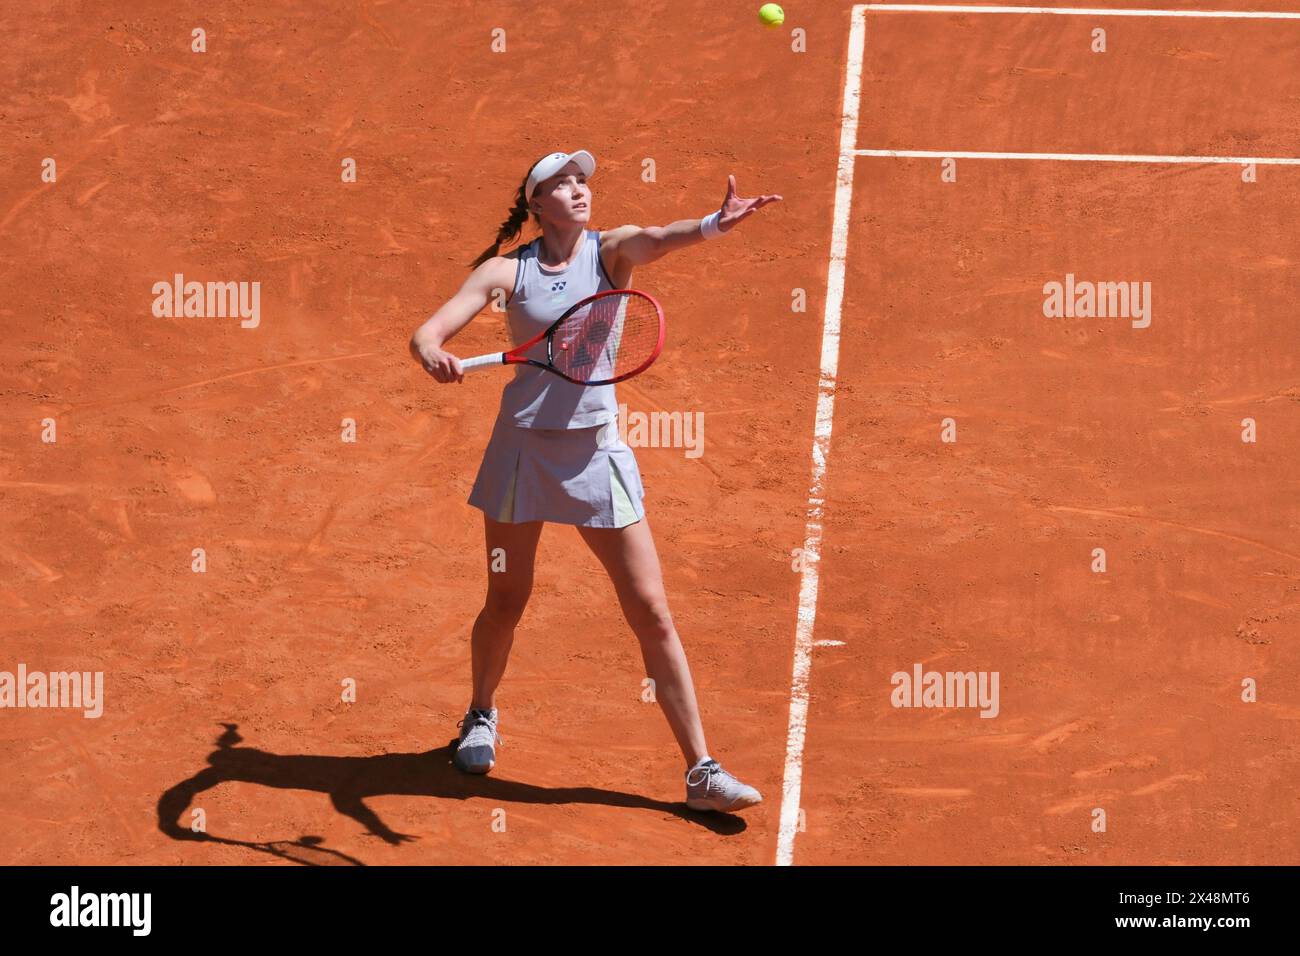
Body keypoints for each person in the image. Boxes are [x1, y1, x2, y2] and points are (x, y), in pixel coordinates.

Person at [409, 149, 782, 813]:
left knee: (651, 611)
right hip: (521, 455)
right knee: (507, 598)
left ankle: (701, 771)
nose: (578, 190)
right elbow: (428, 331)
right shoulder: (505, 272)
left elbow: (660, 239)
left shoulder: (611, 253)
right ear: (536, 204)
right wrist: (434, 353)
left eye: (582, 180)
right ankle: (481, 715)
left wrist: (713, 225)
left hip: (595, 459)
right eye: (561, 183)